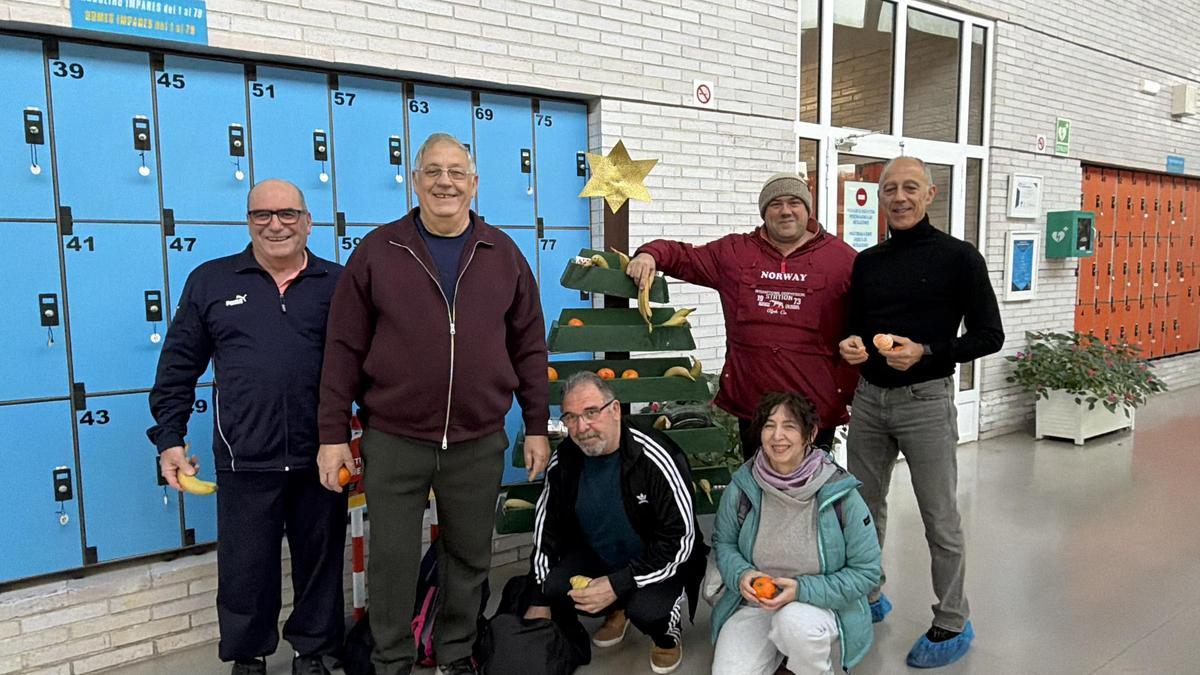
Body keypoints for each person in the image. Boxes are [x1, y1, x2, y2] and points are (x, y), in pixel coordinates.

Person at [316, 132, 551, 675]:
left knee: (469, 558)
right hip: (395, 437)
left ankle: (455, 653)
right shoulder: (380, 249)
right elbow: (343, 347)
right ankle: (391, 660)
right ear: (415, 179)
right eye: (433, 171)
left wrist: (535, 424)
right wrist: (332, 435)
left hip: (477, 438)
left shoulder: (503, 253)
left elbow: (529, 344)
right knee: (393, 561)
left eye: (456, 172)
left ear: (473, 184)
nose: (445, 181)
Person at [147, 179, 345, 675]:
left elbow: (367, 365)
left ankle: (312, 653)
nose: (274, 224)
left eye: (286, 214)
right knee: (244, 570)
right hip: (244, 457)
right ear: (248, 221)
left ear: (308, 221)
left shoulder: (339, 283)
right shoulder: (212, 281)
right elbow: (177, 367)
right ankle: (247, 657)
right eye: (262, 215)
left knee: (320, 564)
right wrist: (169, 438)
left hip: (321, 454)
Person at [838, 156, 1004, 668]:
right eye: (890, 189)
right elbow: (852, 326)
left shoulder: (960, 258)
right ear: (880, 196)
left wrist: (927, 352)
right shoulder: (868, 261)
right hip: (869, 400)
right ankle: (868, 595)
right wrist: (851, 346)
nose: (900, 197)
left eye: (911, 187)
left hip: (925, 402)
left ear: (931, 194)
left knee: (939, 517)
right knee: (862, 511)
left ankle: (952, 618)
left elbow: (989, 335)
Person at [625, 173, 857, 460]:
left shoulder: (842, 259)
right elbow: (683, 256)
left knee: (812, 491)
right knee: (757, 489)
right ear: (763, 212)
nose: (785, 211)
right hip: (754, 405)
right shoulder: (734, 252)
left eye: (794, 202)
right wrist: (649, 254)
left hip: (814, 408)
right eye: (775, 204)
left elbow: (867, 318)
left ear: (808, 209)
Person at [524, 372, 708, 675]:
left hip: (656, 558)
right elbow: (548, 531)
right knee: (555, 587)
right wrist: (539, 597)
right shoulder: (564, 461)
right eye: (571, 417)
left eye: (591, 413)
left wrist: (619, 583)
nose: (582, 427)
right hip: (600, 553)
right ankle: (616, 609)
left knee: (648, 611)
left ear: (615, 410)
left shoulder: (656, 456)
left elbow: (681, 541)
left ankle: (665, 636)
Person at [710, 391, 881, 675]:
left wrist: (801, 589)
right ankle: (781, 655)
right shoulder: (742, 487)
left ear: (810, 433)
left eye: (789, 426)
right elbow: (725, 544)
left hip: (816, 603)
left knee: (794, 625)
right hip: (756, 602)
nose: (777, 436)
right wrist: (742, 574)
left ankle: (808, 665)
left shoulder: (840, 494)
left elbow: (867, 572)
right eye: (769, 425)